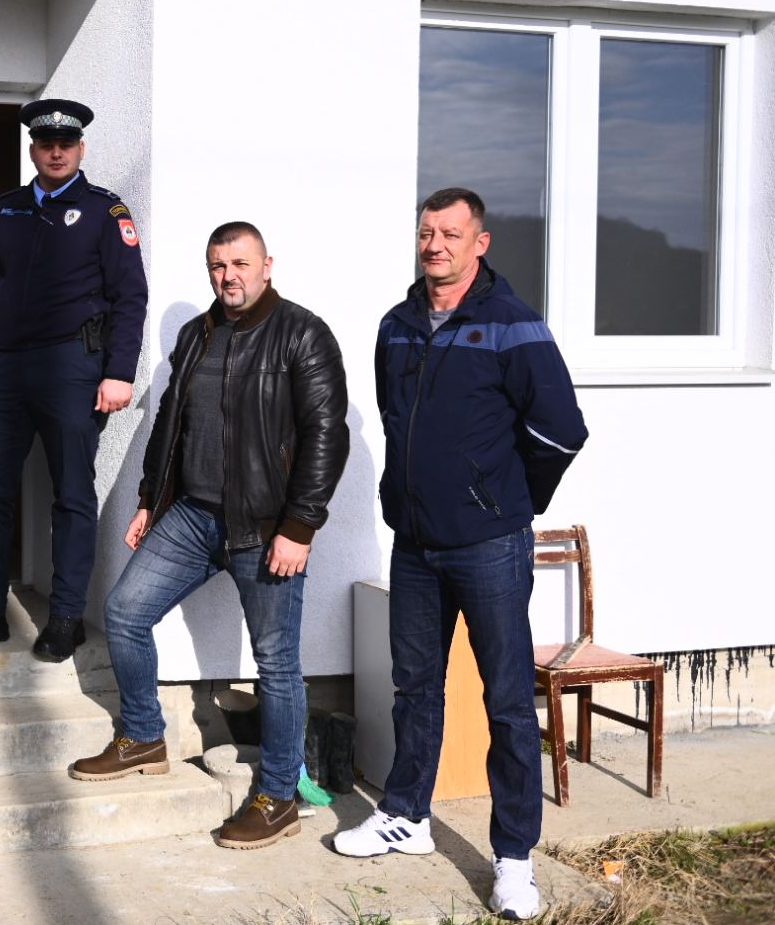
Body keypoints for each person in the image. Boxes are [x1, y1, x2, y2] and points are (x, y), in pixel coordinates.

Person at [333, 187, 587, 922]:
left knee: (507, 701)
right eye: (425, 232)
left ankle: (513, 858)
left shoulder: (513, 326)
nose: (434, 243)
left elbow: (562, 430)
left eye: (450, 232)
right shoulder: (398, 324)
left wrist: (504, 499)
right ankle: (406, 815)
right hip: (415, 544)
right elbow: (392, 414)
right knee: (416, 687)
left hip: (487, 544)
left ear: (481, 242)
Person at [69, 222, 349, 854]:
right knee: (125, 610)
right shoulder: (198, 334)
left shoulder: (302, 333)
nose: (229, 276)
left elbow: (326, 435)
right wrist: (150, 501)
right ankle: (143, 734)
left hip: (267, 527)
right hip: (194, 517)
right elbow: (171, 423)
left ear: (267, 264)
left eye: (240, 263)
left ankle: (277, 797)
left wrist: (298, 528)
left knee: (277, 664)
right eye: (218, 265)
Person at [0, 99, 149, 662]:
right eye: (45, 143)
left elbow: (130, 297)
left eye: (67, 143)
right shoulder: (5, 212)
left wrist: (118, 373)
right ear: (33, 149)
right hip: (3, 366)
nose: (56, 152)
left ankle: (65, 617)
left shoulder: (106, 213)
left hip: (73, 368)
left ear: (80, 149)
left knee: (72, 496)